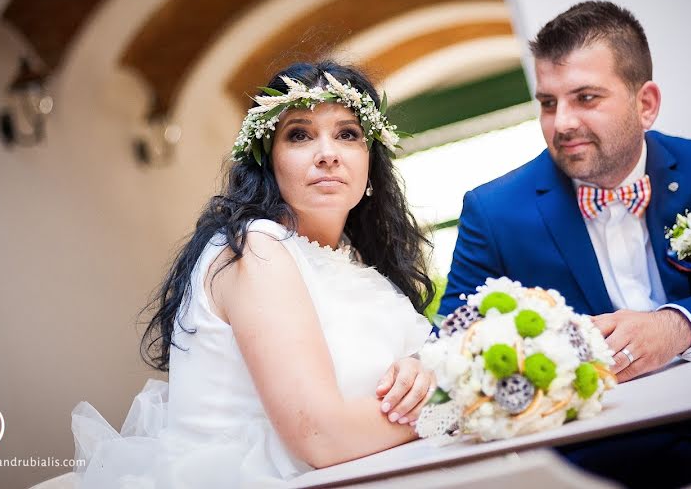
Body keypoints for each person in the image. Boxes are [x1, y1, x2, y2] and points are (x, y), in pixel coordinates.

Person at [442, 0, 691, 486]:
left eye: (585, 98)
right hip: (596, 457)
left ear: (645, 103)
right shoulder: (494, 211)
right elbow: (454, 337)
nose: (561, 123)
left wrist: (675, 328)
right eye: (548, 103)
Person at [71, 62, 436, 487]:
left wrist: (420, 373)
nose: (327, 153)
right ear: (269, 162)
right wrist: (452, 399)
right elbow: (321, 438)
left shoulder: (356, 263)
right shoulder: (254, 248)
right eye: (299, 134)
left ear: (371, 161)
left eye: (347, 134)